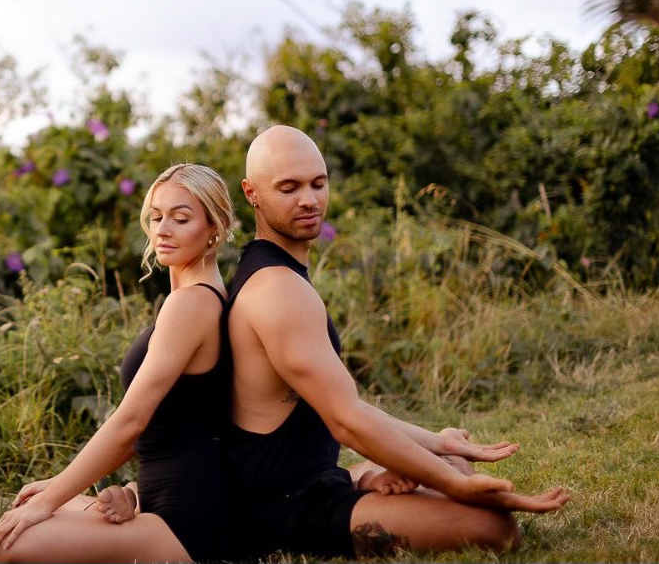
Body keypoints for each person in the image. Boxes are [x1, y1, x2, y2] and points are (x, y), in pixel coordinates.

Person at [221, 125, 571, 560]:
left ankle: (367, 477)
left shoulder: (275, 273)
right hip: (281, 511)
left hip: (313, 480)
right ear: (251, 193)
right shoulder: (276, 289)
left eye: (318, 183)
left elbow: (336, 401)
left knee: (452, 463)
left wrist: (441, 443)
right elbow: (346, 421)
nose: (309, 200)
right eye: (288, 188)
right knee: (492, 527)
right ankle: (366, 481)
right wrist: (457, 487)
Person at [0, 163, 234, 563]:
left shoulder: (193, 302)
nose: (162, 230)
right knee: (30, 502)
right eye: (156, 217)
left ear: (215, 228)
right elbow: (164, 424)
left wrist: (50, 501)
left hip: (187, 520)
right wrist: (124, 493)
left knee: (14, 545)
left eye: (181, 218)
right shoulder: (201, 297)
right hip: (155, 497)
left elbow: (130, 422)